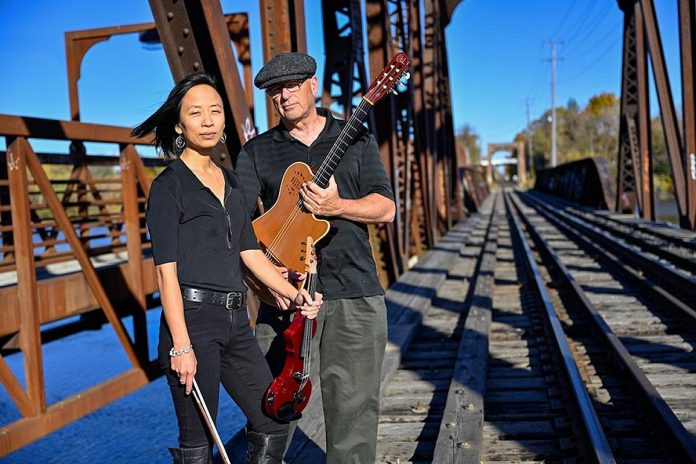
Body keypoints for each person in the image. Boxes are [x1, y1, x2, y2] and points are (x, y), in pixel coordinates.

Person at [132, 73, 322, 464]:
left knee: (274, 417)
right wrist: (180, 346)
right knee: (199, 444)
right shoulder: (168, 187)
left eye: (215, 111)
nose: (208, 120)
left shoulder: (232, 183)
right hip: (192, 322)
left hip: (236, 321)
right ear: (179, 125)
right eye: (196, 113)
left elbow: (249, 254)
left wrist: (293, 294)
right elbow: (165, 273)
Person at [236, 52, 396, 463]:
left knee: (354, 414)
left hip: (353, 292)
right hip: (284, 300)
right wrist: (266, 277)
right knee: (270, 408)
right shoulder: (257, 151)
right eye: (274, 91)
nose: (283, 96)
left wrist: (338, 206)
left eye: (291, 86)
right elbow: (236, 225)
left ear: (314, 85)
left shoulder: (355, 136)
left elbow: (385, 208)